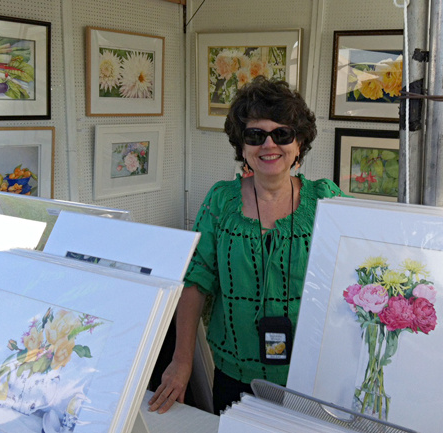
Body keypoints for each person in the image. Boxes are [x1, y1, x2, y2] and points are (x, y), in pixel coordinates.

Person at [148, 76, 346, 415]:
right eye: (255, 135)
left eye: (282, 134)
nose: (269, 145)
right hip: (234, 372)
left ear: (299, 144)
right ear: (242, 146)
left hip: (311, 373)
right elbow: (195, 282)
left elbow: (355, 279)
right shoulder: (221, 201)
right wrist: (181, 361)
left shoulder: (327, 200)